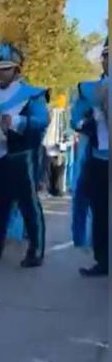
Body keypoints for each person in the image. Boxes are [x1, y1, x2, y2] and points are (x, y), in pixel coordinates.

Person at [0, 40, 49, 268]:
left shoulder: (32, 94)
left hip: (20, 156)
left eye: (5, 69)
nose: (0, 74)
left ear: (17, 70)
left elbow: (41, 121)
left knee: (28, 203)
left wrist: (15, 121)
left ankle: (36, 250)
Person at [71, 36, 108, 277]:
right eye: (107, 56)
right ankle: (103, 260)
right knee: (101, 211)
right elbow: (75, 120)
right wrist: (88, 124)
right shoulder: (90, 90)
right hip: (101, 160)